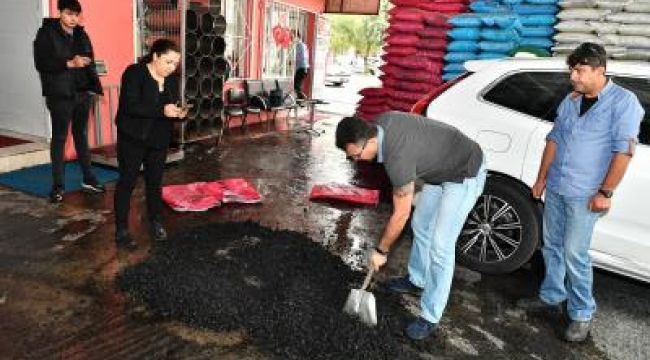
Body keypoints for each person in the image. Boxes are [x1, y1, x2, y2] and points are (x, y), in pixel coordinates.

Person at [517, 43, 644, 342]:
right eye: (572, 69)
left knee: (575, 254)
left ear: (600, 70)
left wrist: (606, 192)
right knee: (551, 246)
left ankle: (581, 313)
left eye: (580, 70)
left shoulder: (623, 102)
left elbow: (623, 152)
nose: (573, 76)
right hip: (558, 186)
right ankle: (550, 297)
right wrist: (541, 179)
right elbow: (554, 140)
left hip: (585, 193)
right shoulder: (571, 100)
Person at [335, 111, 487, 340]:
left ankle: (430, 315)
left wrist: (381, 251)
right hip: (440, 170)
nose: (358, 160)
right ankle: (417, 280)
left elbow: (400, 214)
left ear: (371, 141)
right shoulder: (381, 125)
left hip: (465, 171)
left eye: (357, 155)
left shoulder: (398, 158)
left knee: (441, 246)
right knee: (421, 223)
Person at [113, 39, 187, 249]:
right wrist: (162, 110)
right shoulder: (134, 73)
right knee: (127, 182)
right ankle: (121, 230)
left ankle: (154, 221)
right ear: (155, 56)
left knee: (155, 183)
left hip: (158, 139)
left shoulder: (171, 80)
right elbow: (131, 106)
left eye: (175, 64)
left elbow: (169, 106)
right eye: (168, 62)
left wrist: (178, 114)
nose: (172, 68)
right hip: (132, 138)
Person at [33, 0, 105, 203]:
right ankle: (57, 186)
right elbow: (41, 62)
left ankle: (89, 179)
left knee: (81, 136)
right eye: (69, 14)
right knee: (59, 139)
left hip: (82, 93)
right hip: (60, 95)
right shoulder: (46, 33)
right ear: (60, 13)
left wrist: (92, 87)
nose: (73, 19)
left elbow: (90, 58)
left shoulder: (82, 33)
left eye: (77, 15)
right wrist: (69, 63)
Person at [293, 30, 309, 99]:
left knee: (296, 86)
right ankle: (301, 99)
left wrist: (292, 62)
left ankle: (303, 99)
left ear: (297, 37)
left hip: (301, 68)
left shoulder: (299, 45)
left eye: (293, 37)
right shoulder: (302, 45)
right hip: (304, 68)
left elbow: (299, 57)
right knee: (297, 86)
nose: (292, 38)